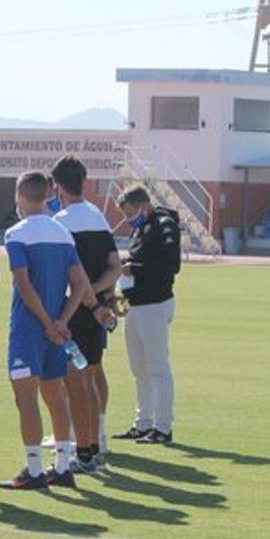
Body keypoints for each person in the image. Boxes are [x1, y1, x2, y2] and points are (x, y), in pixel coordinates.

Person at [0, 171, 105, 491]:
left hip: (30, 328)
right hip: (57, 329)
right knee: (56, 396)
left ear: (19, 197)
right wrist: (62, 320)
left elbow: (24, 283)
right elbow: (81, 285)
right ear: (45, 195)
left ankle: (33, 469)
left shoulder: (16, 234)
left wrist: (47, 322)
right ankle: (61, 466)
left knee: (26, 398)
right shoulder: (62, 233)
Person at [51, 156, 121, 472]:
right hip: (98, 311)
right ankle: (94, 444)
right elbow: (115, 267)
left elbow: (71, 277)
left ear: (57, 187)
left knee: (75, 382)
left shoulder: (61, 223)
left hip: (75, 312)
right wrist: (97, 297)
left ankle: (83, 451)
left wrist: (85, 297)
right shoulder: (97, 217)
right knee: (91, 377)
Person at [112, 185, 181, 445]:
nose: (129, 219)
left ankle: (163, 427)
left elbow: (171, 265)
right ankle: (143, 424)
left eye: (130, 213)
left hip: (155, 303)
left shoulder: (165, 225)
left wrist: (135, 268)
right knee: (139, 369)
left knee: (158, 368)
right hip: (136, 304)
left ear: (143, 205)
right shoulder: (142, 228)